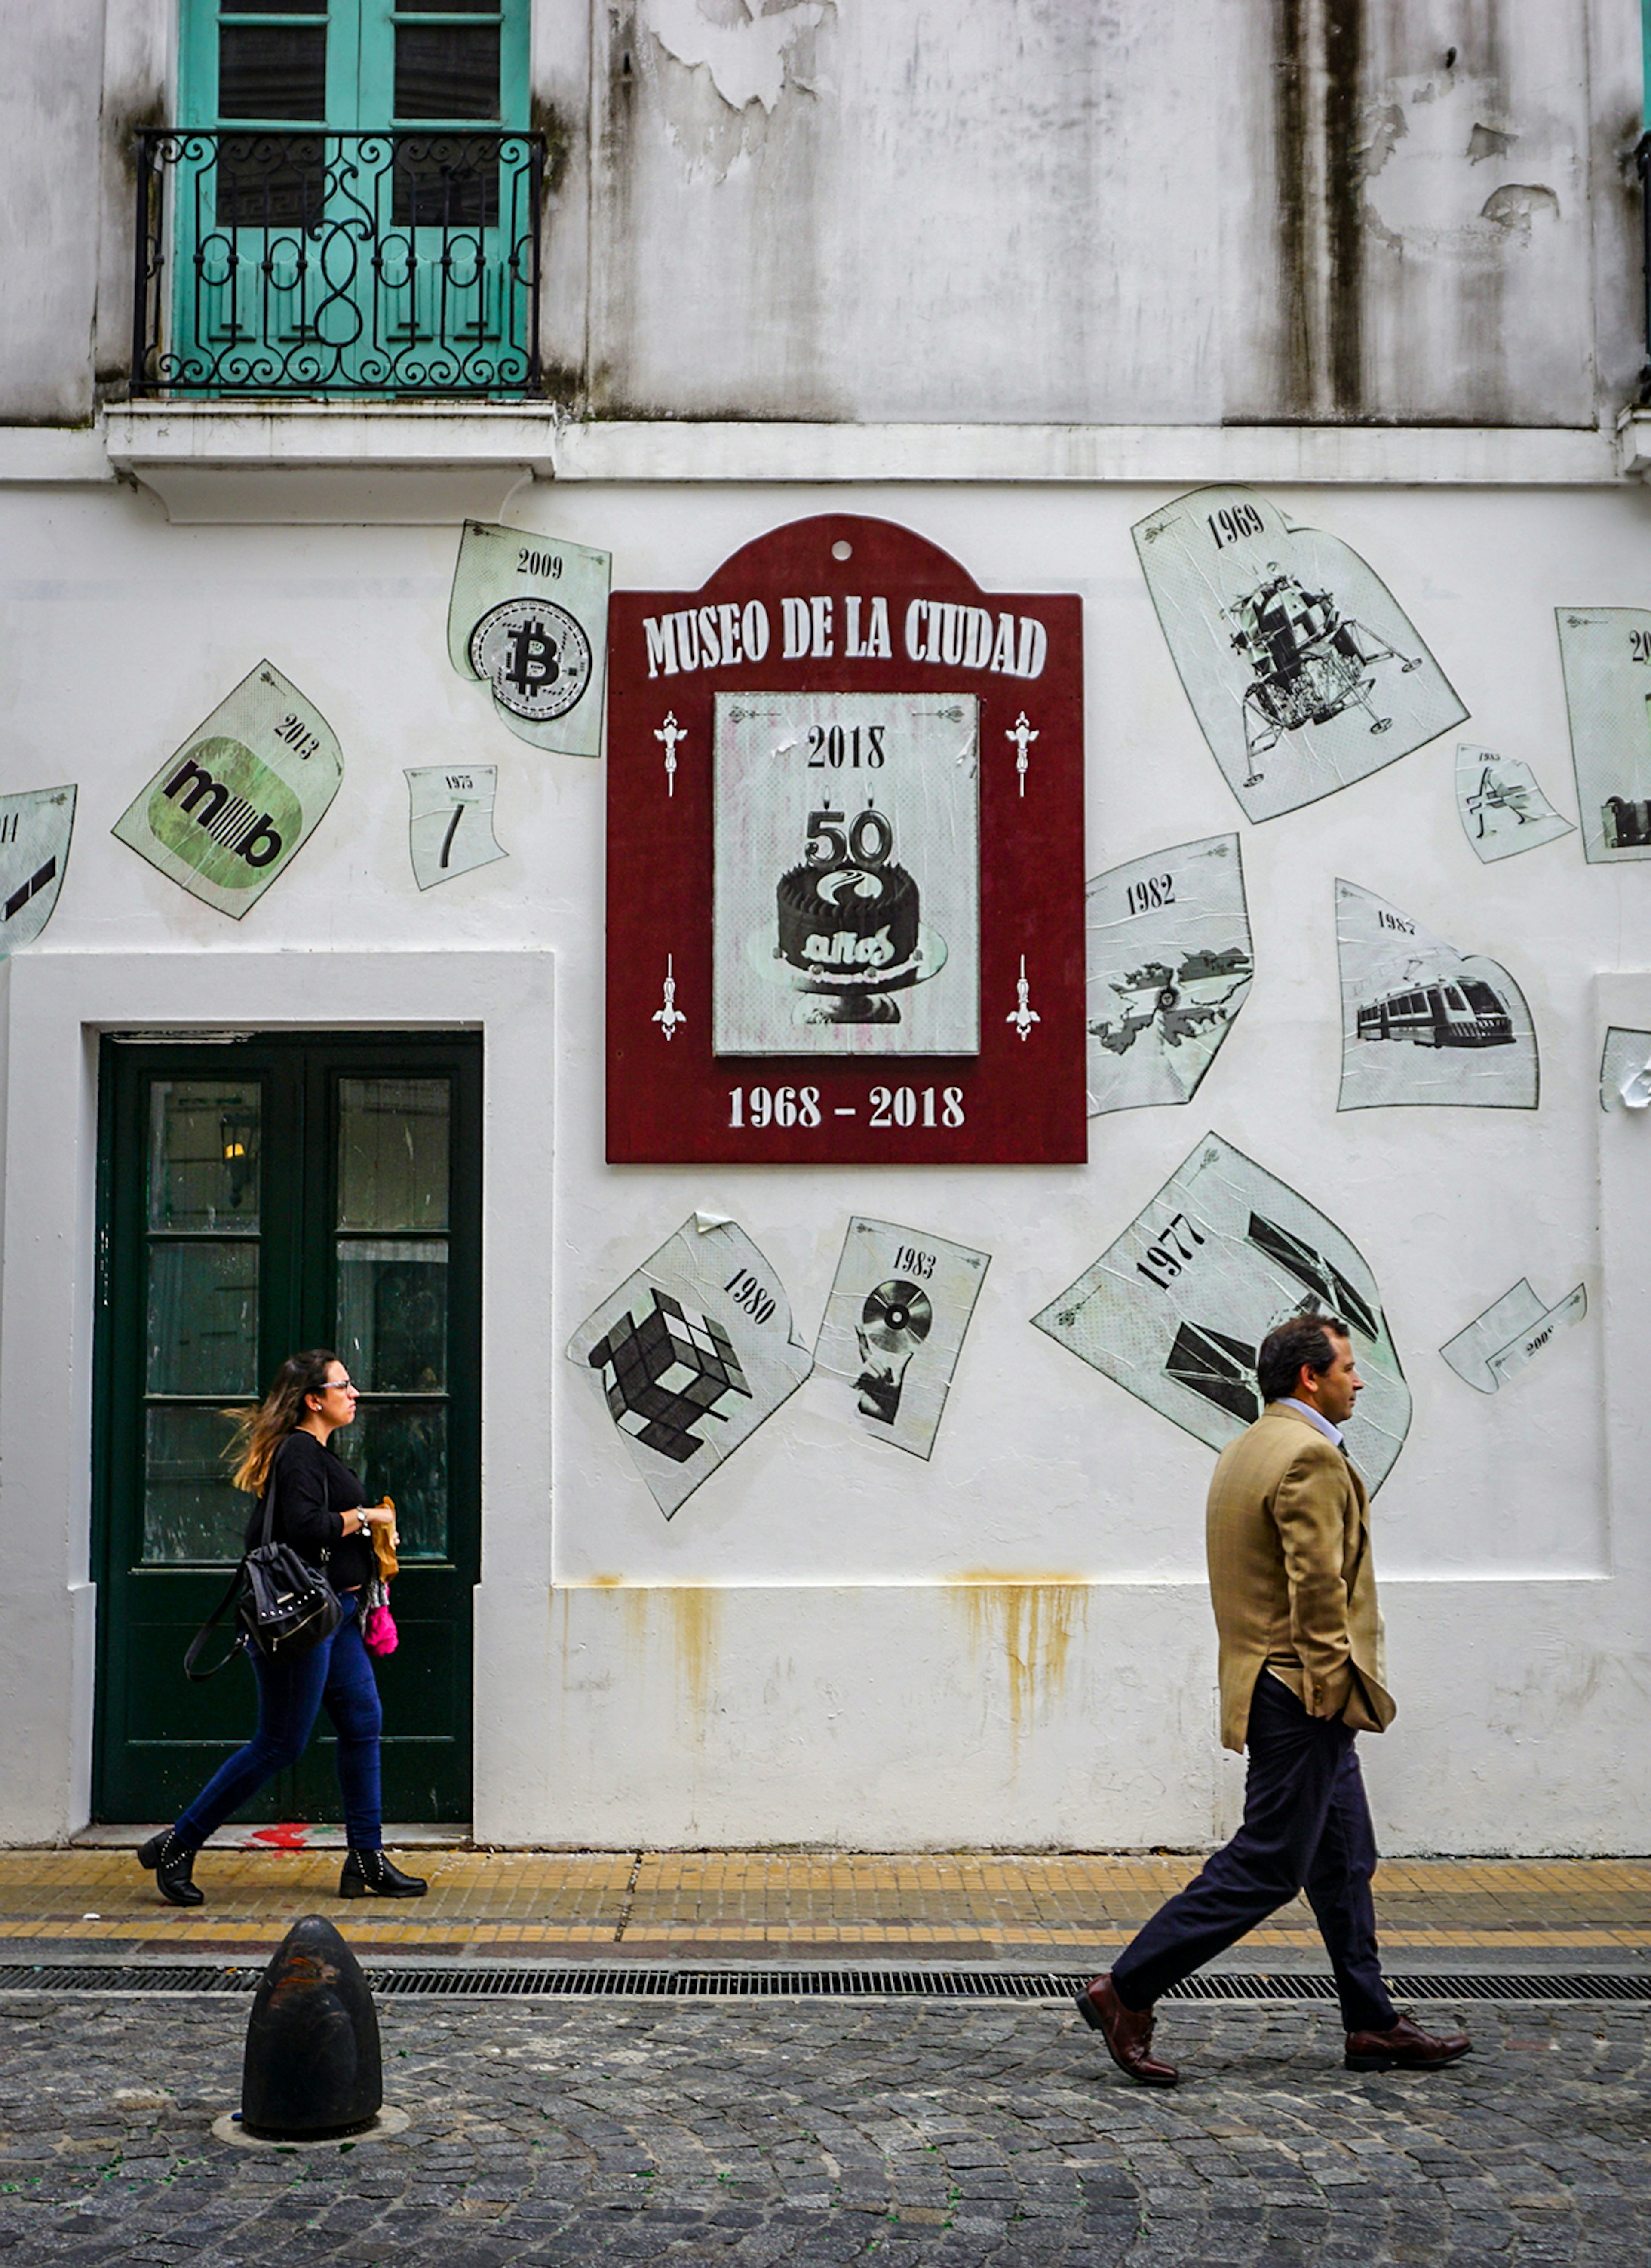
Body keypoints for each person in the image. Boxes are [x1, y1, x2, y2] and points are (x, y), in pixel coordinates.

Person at [1074, 1315, 1469, 2085]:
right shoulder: (1308, 1456)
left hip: (1273, 1682)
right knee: (1267, 1865)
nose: (1360, 1381)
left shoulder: (1247, 1447)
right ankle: (1127, 1989)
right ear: (1309, 1378)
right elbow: (1316, 1583)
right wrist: (1329, 1682)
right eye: (1349, 1368)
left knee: (1344, 1858)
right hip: (1302, 1690)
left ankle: (1373, 2022)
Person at [136, 1351, 428, 1908]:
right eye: (344, 1385)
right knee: (279, 1743)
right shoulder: (299, 1449)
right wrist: (369, 1517)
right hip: (300, 1622)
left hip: (334, 1618)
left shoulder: (314, 1453)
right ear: (314, 1399)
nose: (355, 1393)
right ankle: (180, 1842)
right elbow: (305, 1530)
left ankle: (366, 1857)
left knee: (364, 1721)